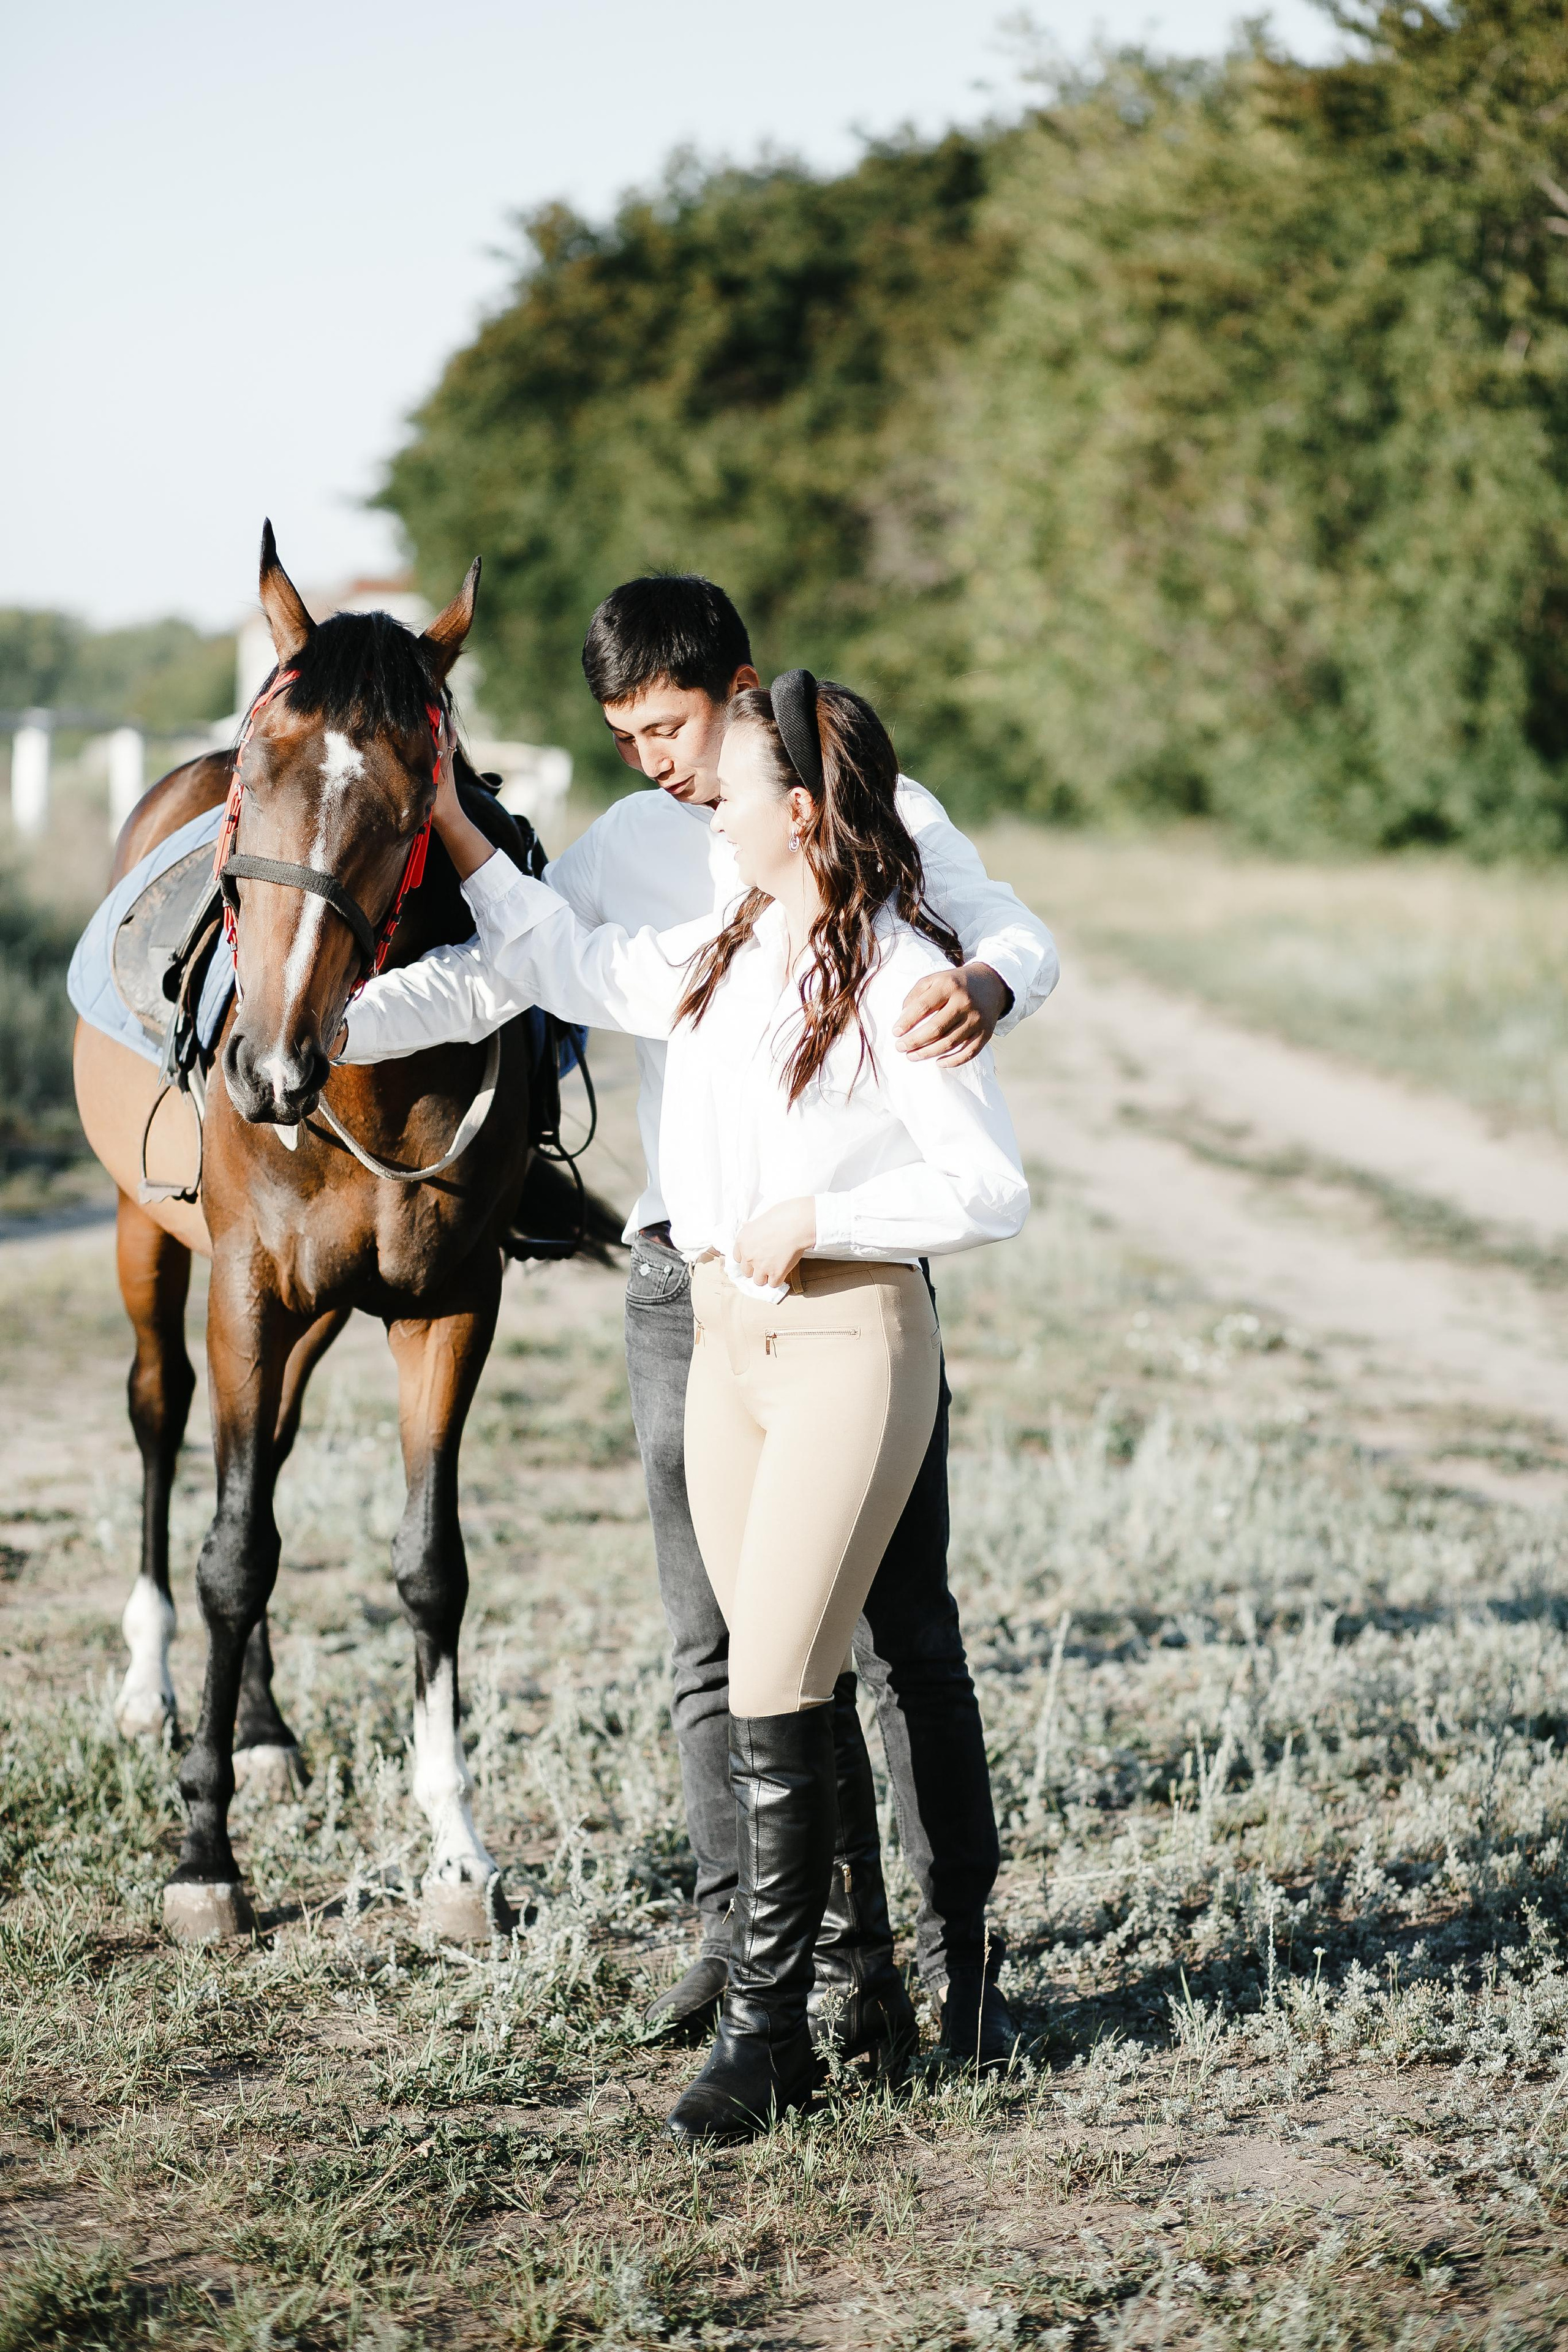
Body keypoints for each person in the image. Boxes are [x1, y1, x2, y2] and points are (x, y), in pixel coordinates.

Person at [354, 576, 1058, 2070]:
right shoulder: (660, 877)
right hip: (687, 1286)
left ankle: (951, 1972)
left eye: (668, 729)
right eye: (622, 737)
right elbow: (534, 966)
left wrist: (990, 983)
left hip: (842, 1291)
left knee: (897, 1640)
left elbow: (1001, 933)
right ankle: (757, 1960)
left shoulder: (873, 841)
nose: (652, 765)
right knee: (714, 1646)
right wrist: (320, 1027)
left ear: (740, 696)